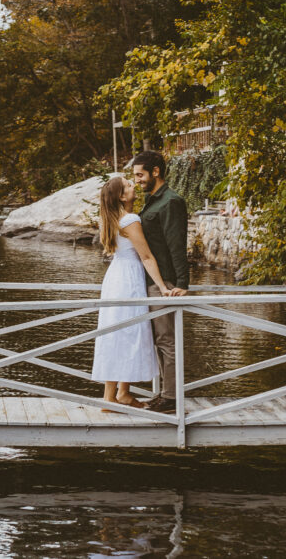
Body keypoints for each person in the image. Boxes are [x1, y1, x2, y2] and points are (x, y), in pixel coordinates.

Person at [92, 175, 172, 410]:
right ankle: (112, 397)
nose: (133, 185)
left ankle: (120, 394)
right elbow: (146, 256)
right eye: (128, 185)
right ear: (121, 196)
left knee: (119, 333)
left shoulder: (109, 218)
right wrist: (163, 287)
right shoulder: (130, 220)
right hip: (129, 279)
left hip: (115, 277)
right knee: (129, 332)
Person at [131, 150, 189, 414]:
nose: (137, 180)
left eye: (140, 175)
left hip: (164, 282)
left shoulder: (170, 202)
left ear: (156, 172)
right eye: (134, 176)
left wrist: (182, 283)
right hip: (150, 282)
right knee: (158, 340)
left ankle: (171, 398)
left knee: (167, 340)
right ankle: (164, 393)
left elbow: (177, 244)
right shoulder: (152, 201)